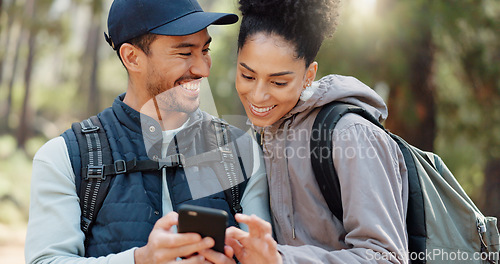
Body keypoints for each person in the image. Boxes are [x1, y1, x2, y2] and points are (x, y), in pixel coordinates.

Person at [25, 0, 270, 263]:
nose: (203, 69)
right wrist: (140, 259)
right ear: (132, 57)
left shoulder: (241, 151)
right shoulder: (65, 157)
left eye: (205, 50)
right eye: (185, 53)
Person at [226, 0, 409, 263]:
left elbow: (386, 257)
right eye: (247, 76)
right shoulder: (265, 134)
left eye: (279, 82)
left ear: (309, 75)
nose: (258, 95)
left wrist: (281, 260)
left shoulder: (351, 135)